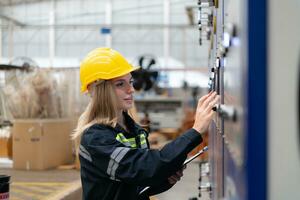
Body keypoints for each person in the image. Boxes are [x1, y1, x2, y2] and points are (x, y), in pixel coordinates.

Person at [72, 47, 219, 200]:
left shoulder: (134, 129)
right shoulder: (96, 139)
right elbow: (144, 168)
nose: (131, 89)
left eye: (130, 82)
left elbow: (136, 184)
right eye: (120, 84)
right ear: (97, 90)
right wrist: (195, 131)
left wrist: (165, 179)